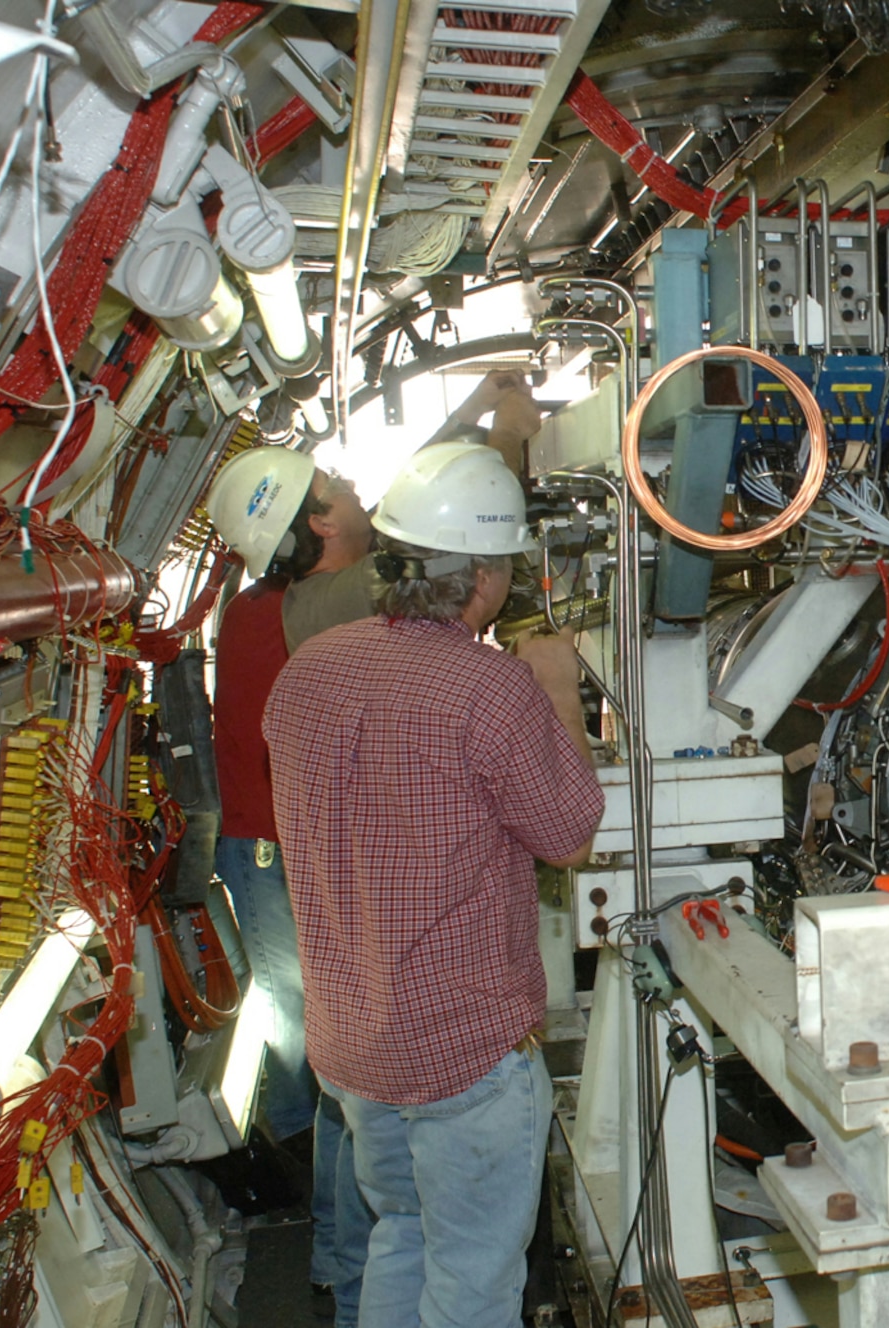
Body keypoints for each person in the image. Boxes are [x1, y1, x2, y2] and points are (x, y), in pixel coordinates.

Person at [264, 442, 604, 1328]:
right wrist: (558, 687)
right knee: (473, 1282)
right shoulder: (491, 689)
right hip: (465, 1056)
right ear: (486, 579)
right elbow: (569, 838)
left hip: (353, 1044)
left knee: (401, 1236)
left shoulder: (307, 672)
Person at [206, 446, 374, 1325]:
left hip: (275, 856)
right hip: (283, 862)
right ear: (315, 521)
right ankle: (344, 1273)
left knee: (331, 1065)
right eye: (339, 486)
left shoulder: (256, 610)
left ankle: (332, 1255)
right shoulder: (306, 614)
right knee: (336, 1069)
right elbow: (420, 579)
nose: (357, 490)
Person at [281, 370, 544, 651]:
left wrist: (473, 407)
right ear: (323, 525)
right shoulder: (345, 597)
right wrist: (508, 432)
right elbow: (478, 520)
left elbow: (410, 494)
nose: (348, 481)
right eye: (333, 480)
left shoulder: (307, 594)